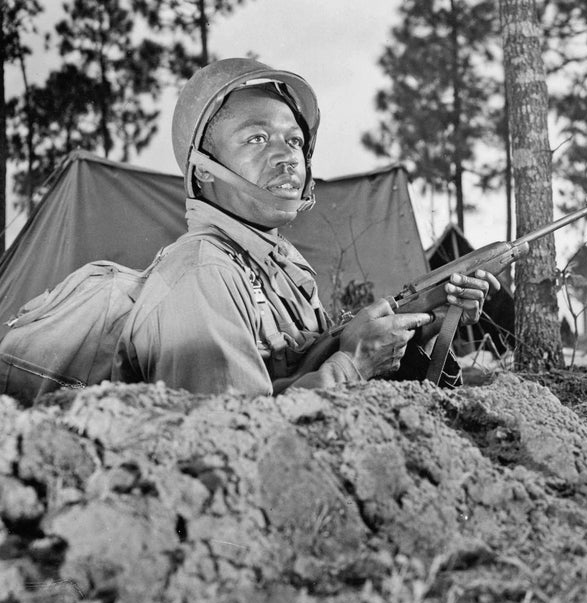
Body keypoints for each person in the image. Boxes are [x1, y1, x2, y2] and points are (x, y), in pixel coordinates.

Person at [113, 58, 498, 396]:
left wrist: (427, 327)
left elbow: (305, 373)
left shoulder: (281, 265)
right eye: (257, 138)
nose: (287, 156)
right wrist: (355, 363)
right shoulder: (203, 273)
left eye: (294, 140)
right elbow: (228, 436)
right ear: (203, 171)